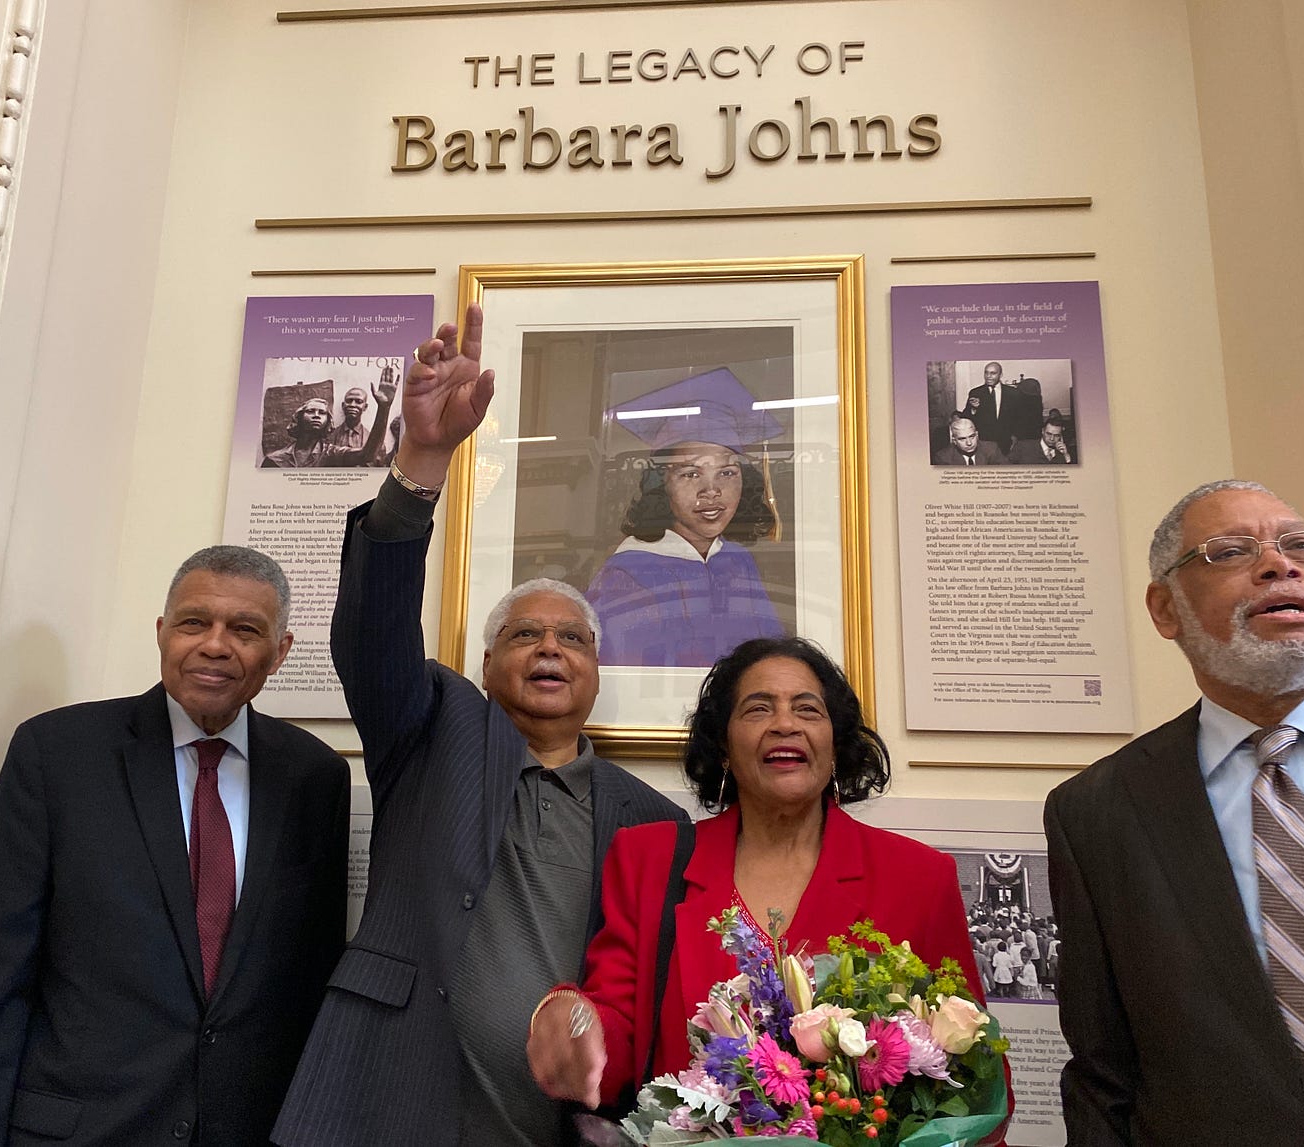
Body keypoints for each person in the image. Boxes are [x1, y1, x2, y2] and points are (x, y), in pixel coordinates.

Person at [271, 305, 687, 1147]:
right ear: (487, 665)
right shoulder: (431, 731)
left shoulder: (655, 821)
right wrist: (423, 460)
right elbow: (373, 632)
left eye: (572, 637)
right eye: (523, 635)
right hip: (388, 1105)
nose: (549, 649)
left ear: (595, 674)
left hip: (560, 1130)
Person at [1045, 478, 1304, 1143]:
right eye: (1230, 552)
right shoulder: (1096, 812)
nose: (1281, 563)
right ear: (1166, 609)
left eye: (1301, 544)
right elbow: (1105, 1073)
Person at [526, 636, 1009, 1133]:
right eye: (758, 709)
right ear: (724, 747)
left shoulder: (918, 876)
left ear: (835, 745)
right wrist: (579, 1034)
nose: (785, 723)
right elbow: (617, 1030)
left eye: (808, 709)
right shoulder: (649, 859)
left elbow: (972, 1076)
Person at [0, 546, 349, 1146]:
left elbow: (310, 972)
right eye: (195, 622)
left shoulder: (316, 777)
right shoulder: (58, 753)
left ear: (280, 654)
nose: (215, 645)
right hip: (80, 1129)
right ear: (162, 633)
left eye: (245, 630)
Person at [585, 368, 785, 667]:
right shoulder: (627, 571)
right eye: (691, 473)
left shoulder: (739, 562)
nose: (712, 491)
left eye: (727, 472)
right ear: (660, 483)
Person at [262, 366, 397, 468]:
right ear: (299, 418)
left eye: (322, 413)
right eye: (311, 411)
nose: (316, 415)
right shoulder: (274, 459)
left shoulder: (331, 454)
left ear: (328, 422)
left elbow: (367, 455)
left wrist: (384, 408)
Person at [964, 362, 1043, 454]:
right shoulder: (975, 393)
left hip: (1007, 443)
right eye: (986, 373)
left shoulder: (1014, 393)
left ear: (1000, 375)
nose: (988, 376)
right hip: (983, 444)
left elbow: (1021, 418)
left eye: (993, 373)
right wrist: (974, 409)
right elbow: (966, 419)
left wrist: (1015, 437)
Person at [933, 415, 1007, 466]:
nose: (969, 443)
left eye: (972, 436)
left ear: (977, 435)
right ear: (954, 441)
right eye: (962, 439)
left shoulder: (991, 449)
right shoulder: (943, 458)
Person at [1008, 416, 1075, 464]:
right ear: (1042, 431)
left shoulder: (1062, 454)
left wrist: (1066, 457)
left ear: (1061, 436)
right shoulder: (1023, 446)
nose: (1052, 438)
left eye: (1056, 435)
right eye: (1048, 434)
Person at [326, 386, 371, 451]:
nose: (352, 405)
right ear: (343, 405)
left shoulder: (370, 438)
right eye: (349, 401)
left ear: (365, 407)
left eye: (359, 401)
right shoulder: (331, 436)